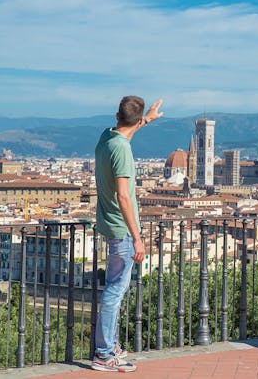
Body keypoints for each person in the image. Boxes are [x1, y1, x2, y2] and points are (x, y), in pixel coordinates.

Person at [92, 96, 163, 372]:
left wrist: (147, 120)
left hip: (109, 225)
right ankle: (104, 353)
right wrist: (137, 237)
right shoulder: (121, 150)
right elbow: (124, 196)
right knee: (114, 291)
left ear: (116, 116)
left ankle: (110, 346)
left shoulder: (106, 137)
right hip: (122, 229)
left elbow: (128, 131)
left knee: (115, 288)